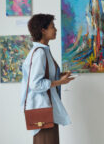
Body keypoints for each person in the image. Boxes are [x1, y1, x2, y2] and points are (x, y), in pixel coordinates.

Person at [21, 14, 74, 144]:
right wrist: (59, 82)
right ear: (43, 30)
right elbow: (35, 84)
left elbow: (43, 77)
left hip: (47, 110)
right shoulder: (40, 53)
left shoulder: (43, 51)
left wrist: (59, 76)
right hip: (43, 110)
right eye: (52, 27)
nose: (55, 30)